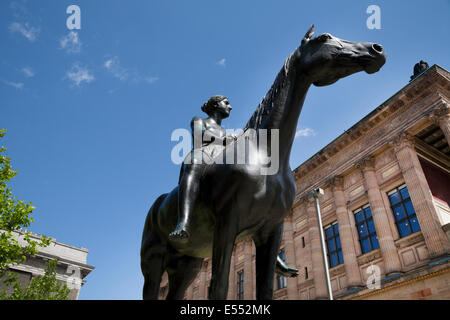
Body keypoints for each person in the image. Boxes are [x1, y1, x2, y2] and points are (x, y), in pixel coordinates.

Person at [169, 95, 235, 242]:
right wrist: (226, 141)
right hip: (203, 153)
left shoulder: (225, 131)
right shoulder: (199, 120)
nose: (230, 107)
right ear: (216, 105)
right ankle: (183, 222)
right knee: (193, 163)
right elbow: (199, 136)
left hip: (220, 157)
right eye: (226, 103)